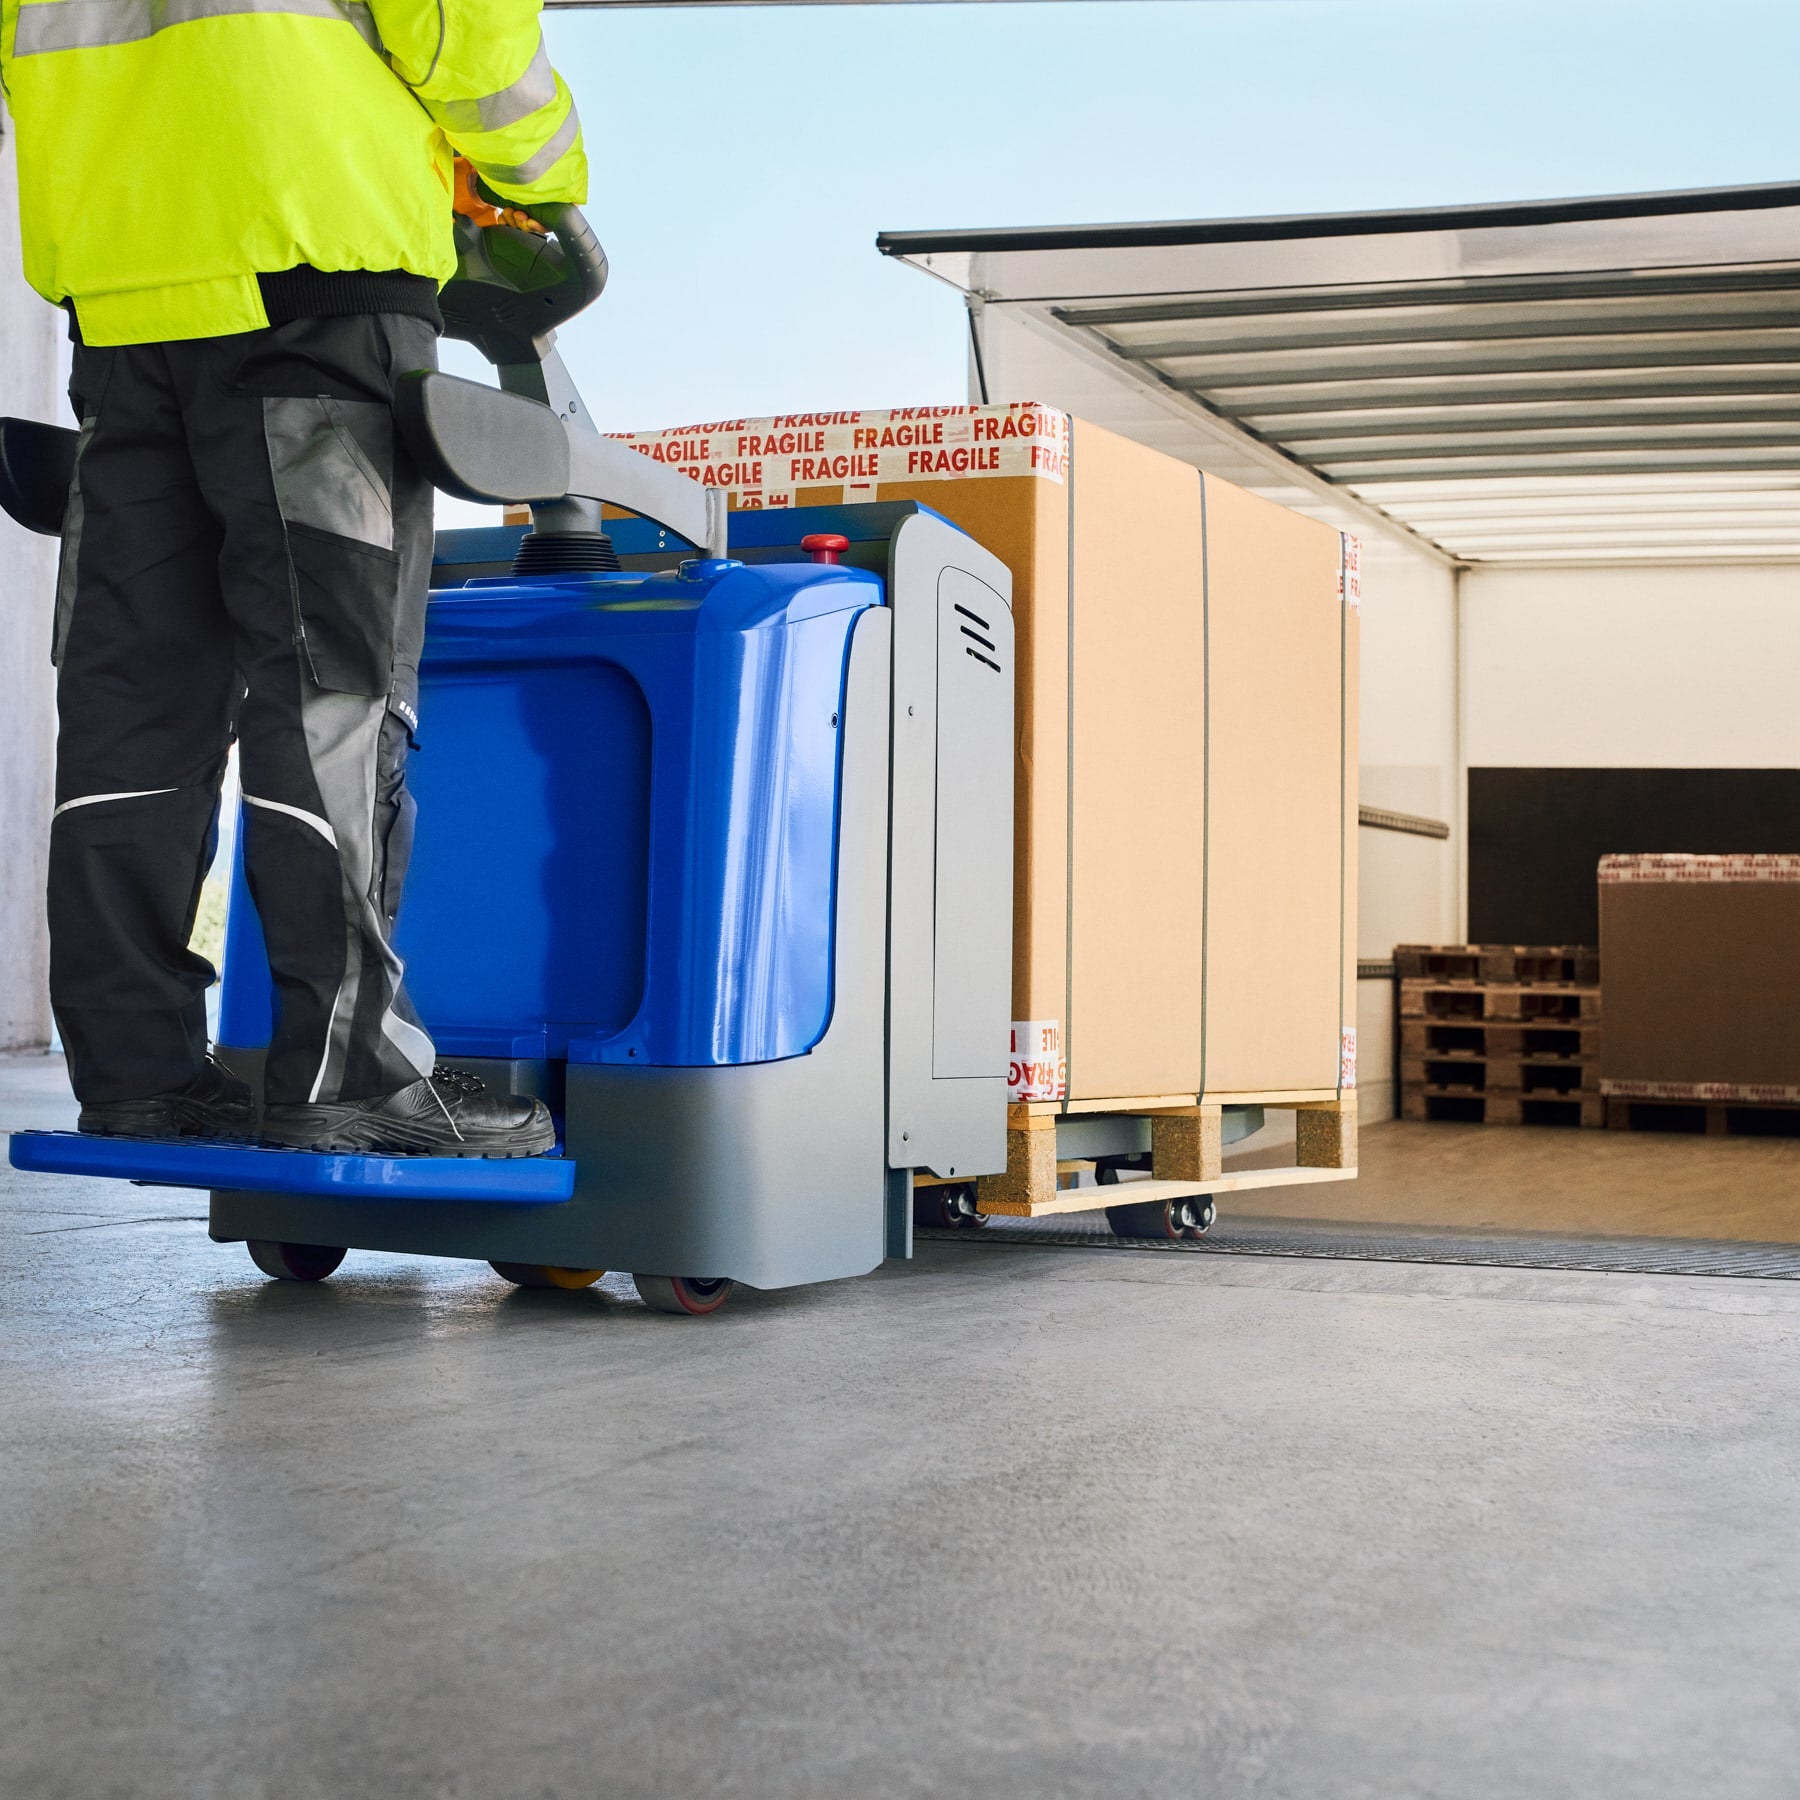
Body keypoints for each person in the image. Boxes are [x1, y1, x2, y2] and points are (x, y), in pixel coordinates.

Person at [0, 0, 583, 1155]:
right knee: (333, 690)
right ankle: (349, 1068)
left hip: (122, 300)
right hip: (315, 271)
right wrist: (544, 173)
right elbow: (467, 38)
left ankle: (140, 1072)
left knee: (133, 703)